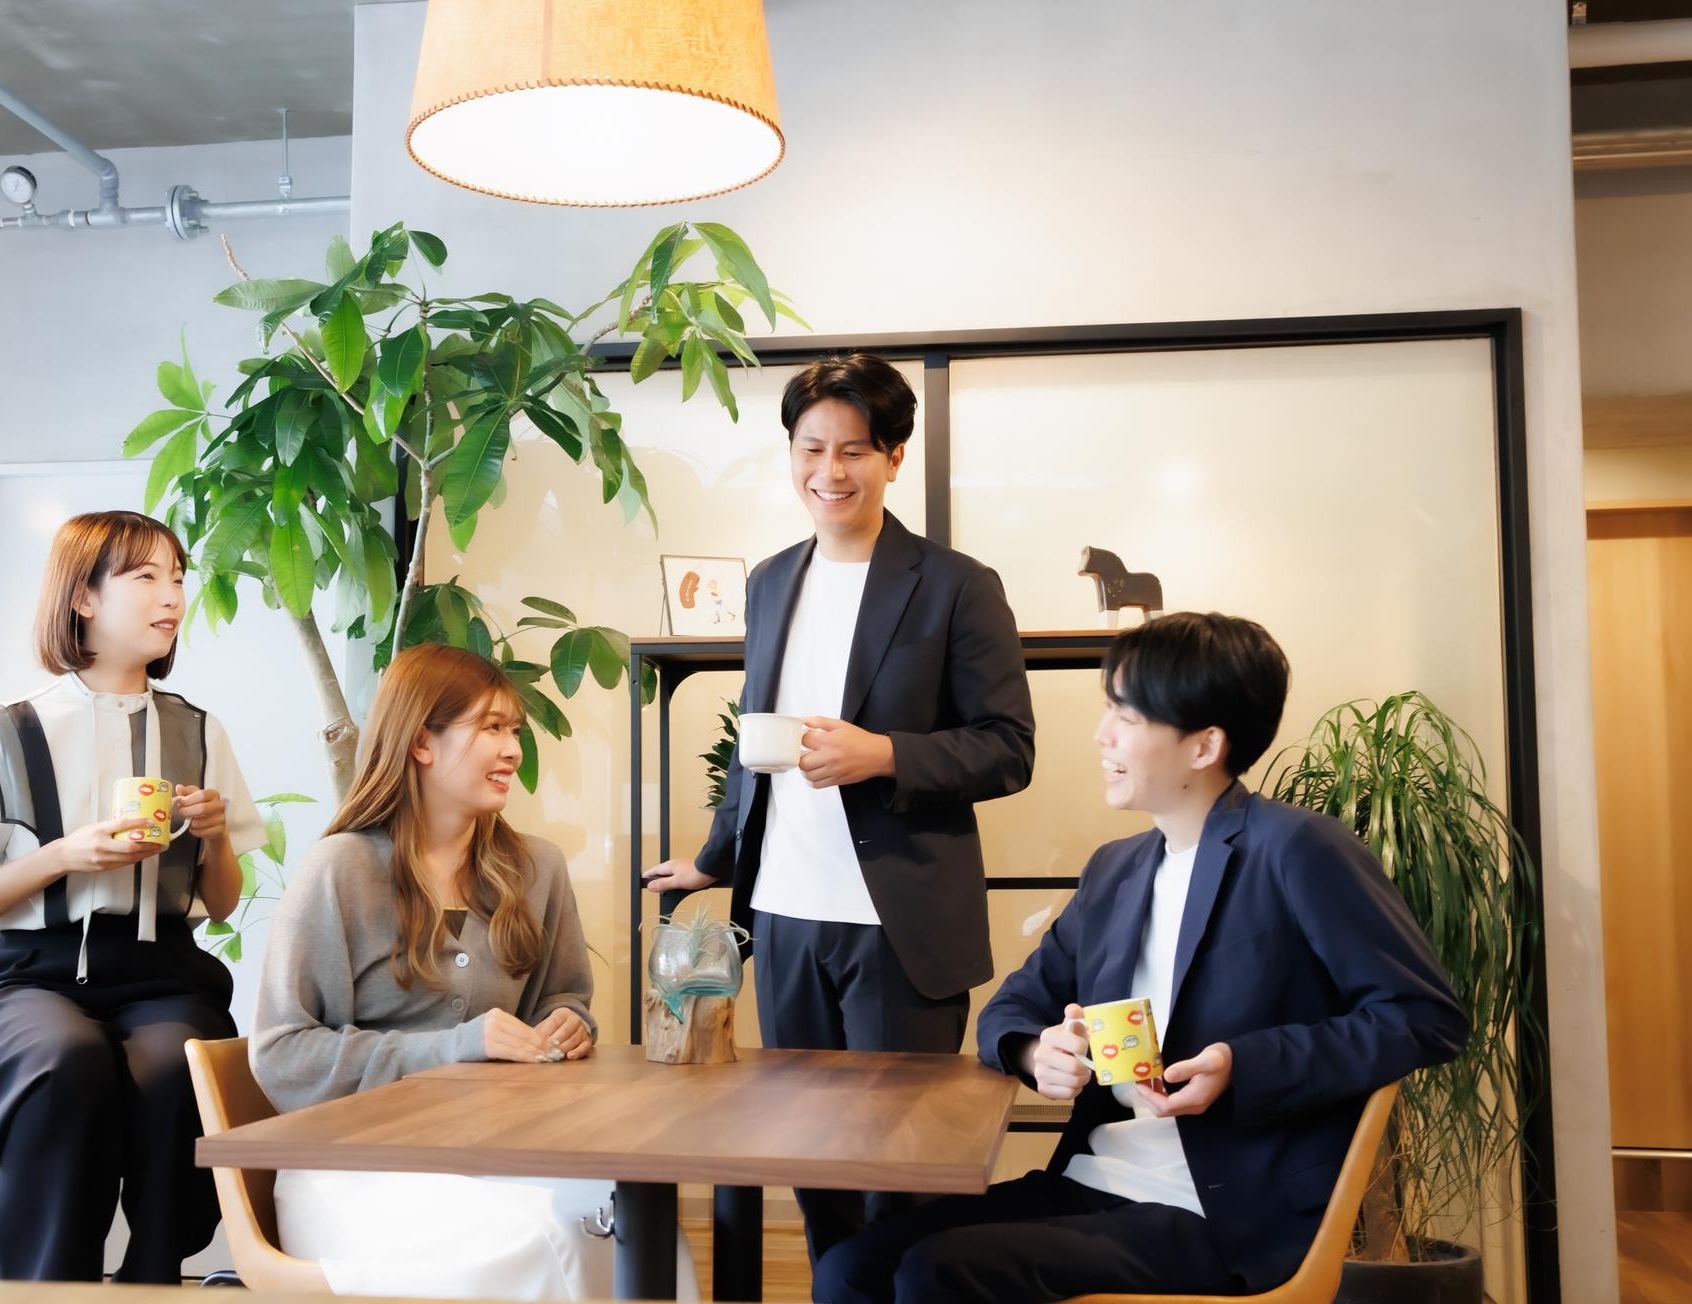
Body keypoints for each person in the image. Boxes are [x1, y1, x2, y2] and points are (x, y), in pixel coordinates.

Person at [812, 612, 1470, 1303]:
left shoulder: (1298, 849)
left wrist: (1241, 1066)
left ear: (1204, 745)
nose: (1103, 734)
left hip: (1223, 1211)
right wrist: (1038, 1051)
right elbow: (1013, 1005)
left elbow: (1424, 1018)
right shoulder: (1116, 870)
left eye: (1126, 716)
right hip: (1095, 1180)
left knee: (938, 1270)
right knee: (850, 1266)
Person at [643, 353, 1036, 1262]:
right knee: (808, 1159)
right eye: (811, 448)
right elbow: (755, 739)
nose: (830, 471)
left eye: (854, 450)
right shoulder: (771, 580)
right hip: (784, 915)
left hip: (897, 924)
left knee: (901, 1168)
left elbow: (1009, 747)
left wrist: (885, 754)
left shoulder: (956, 585)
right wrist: (716, 858)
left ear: (894, 456)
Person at [251, 642, 696, 1300]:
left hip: (497, 1150)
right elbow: (282, 1053)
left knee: (636, 1226)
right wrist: (456, 1046)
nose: (513, 750)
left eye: (514, 730)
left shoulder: (537, 869)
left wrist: (566, 1023)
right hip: (353, 1167)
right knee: (537, 1243)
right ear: (421, 743)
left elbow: (564, 997)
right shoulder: (341, 869)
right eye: (491, 728)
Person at [0, 509, 265, 1282]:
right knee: (66, 1059)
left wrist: (214, 837)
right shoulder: (6, 734)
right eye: (146, 577)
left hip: (163, 972)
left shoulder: (200, 731)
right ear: (83, 598)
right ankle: (48, 1285)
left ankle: (152, 1278)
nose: (172, 596)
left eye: (178, 578)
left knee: (175, 1066)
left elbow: (223, 904)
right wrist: (63, 856)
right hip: (27, 977)